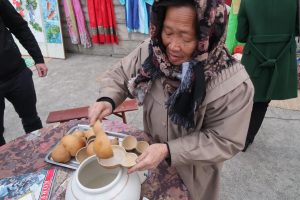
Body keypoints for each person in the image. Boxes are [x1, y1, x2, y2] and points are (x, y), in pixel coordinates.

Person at [89, 0, 254, 199]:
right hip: (150, 161)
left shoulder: (232, 85)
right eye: (167, 32)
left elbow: (225, 140)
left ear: (209, 35)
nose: (173, 46)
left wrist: (170, 150)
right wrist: (108, 98)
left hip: (195, 176)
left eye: (186, 37)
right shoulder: (152, 52)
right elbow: (121, 75)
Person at [236, 0, 298, 151]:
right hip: (281, 57)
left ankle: (236, 136)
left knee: (246, 97)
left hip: (255, 57)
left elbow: (241, 36)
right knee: (263, 100)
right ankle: (247, 139)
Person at [0, 0, 48, 146]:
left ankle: (40, 156)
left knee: (31, 119)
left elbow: (19, 27)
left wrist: (38, 58)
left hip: (16, 74)